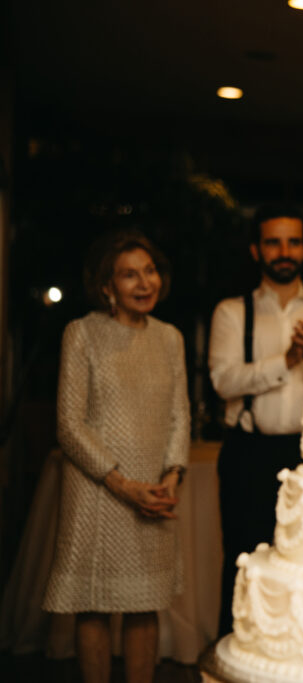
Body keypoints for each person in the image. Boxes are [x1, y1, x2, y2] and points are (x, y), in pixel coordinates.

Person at [45, 229, 189, 683]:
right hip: (97, 491)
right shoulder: (82, 333)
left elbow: (179, 415)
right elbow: (69, 423)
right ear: (107, 286)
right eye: (129, 275)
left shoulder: (170, 338)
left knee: (145, 602)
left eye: (149, 272)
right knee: (95, 606)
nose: (144, 283)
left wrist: (171, 476)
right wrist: (122, 484)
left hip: (154, 487)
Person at [208, 205, 303, 636]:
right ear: (257, 250)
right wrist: (288, 358)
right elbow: (223, 380)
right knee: (243, 563)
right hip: (247, 455)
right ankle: (232, 659)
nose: (284, 251)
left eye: (293, 241)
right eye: (273, 241)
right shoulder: (231, 312)